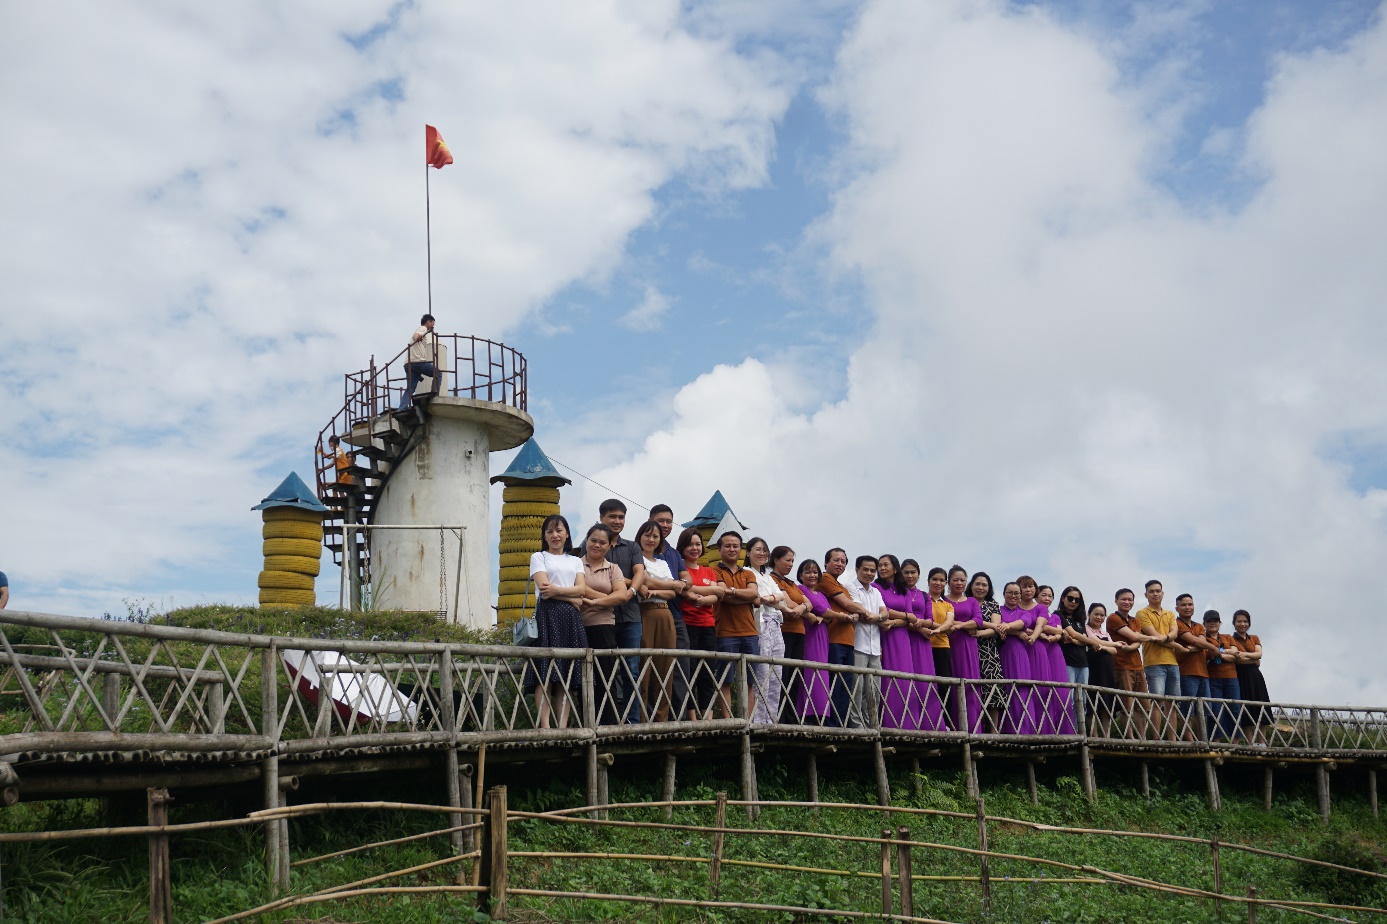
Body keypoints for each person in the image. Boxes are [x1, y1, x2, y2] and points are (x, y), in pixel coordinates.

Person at [522, 515, 587, 729]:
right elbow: (544, 588)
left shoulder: (575, 560)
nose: (555, 535)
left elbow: (582, 589)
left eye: (559, 530)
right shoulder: (538, 556)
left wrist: (559, 591)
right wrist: (570, 597)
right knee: (546, 674)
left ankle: (563, 727)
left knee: (565, 676)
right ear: (544, 536)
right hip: (547, 615)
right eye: (549, 531)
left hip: (570, 619)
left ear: (567, 533)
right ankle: (546, 726)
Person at [629, 520, 687, 722]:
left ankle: (661, 718)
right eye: (647, 535)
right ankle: (642, 718)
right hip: (644, 613)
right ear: (639, 537)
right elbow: (645, 580)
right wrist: (670, 585)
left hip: (665, 614)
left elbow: (673, 594)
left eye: (655, 536)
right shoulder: (635, 559)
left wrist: (660, 589)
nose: (651, 539)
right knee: (644, 666)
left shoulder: (662, 562)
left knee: (666, 665)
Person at [575, 523, 629, 725]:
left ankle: (608, 726)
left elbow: (622, 596)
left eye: (602, 542)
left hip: (604, 626)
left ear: (609, 545)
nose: (597, 545)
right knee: (582, 678)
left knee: (606, 676)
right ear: (586, 541)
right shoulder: (575, 565)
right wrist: (608, 597)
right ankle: (586, 725)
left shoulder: (613, 568)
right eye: (593, 540)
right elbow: (578, 589)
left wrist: (595, 601)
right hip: (578, 626)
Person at [597, 499, 645, 723]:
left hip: (631, 616)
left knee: (631, 670)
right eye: (612, 517)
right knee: (603, 670)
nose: (617, 521)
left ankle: (631, 721)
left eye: (621, 517)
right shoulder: (596, 544)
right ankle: (604, 721)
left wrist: (631, 591)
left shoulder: (633, 547)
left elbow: (640, 572)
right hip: (602, 617)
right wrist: (631, 586)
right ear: (601, 518)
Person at [711, 531, 762, 719]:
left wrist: (731, 593)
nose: (732, 549)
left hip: (750, 632)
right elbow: (722, 595)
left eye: (736, 546)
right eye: (728, 546)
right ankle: (728, 721)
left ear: (741, 550)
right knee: (724, 679)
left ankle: (747, 721)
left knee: (749, 681)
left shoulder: (748, 573)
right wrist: (744, 596)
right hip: (724, 632)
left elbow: (753, 595)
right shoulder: (715, 571)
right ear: (719, 549)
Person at [650, 504, 694, 719]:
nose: (665, 525)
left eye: (669, 521)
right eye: (661, 521)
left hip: (676, 615)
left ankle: (680, 718)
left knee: (680, 666)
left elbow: (688, 579)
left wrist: (681, 584)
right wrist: (675, 585)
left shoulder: (673, 552)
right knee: (653, 665)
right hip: (649, 614)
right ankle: (654, 717)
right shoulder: (641, 549)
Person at [676, 527, 723, 718]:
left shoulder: (709, 571)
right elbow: (682, 590)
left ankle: (708, 718)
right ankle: (692, 718)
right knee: (689, 671)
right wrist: (706, 591)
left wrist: (699, 596)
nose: (694, 548)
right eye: (690, 544)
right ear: (682, 547)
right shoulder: (679, 569)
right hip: (687, 624)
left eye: (697, 544)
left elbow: (718, 594)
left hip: (708, 626)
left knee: (707, 673)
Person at [746, 537, 791, 725]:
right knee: (762, 672)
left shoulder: (767, 576)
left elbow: (781, 596)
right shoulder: (747, 573)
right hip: (761, 623)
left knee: (776, 671)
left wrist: (769, 598)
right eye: (757, 549)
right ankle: (758, 720)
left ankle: (771, 719)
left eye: (765, 550)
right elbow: (756, 598)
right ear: (748, 552)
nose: (762, 553)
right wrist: (773, 599)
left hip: (775, 623)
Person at [1020, 576, 1073, 735]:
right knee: (1035, 688)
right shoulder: (1022, 609)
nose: (1047, 598)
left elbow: (1057, 631)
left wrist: (1059, 633)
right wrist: (1054, 632)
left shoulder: (1054, 615)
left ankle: (1057, 729)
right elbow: (1047, 629)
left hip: (1051, 650)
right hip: (1032, 647)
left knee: (1054, 690)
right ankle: (1035, 727)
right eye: (1044, 595)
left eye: (1050, 596)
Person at [814, 549, 861, 727]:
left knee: (845, 685)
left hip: (848, 640)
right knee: (834, 683)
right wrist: (867, 614)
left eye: (843, 561)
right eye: (836, 560)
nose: (840, 564)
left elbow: (852, 608)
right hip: (833, 638)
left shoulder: (842, 586)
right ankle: (831, 723)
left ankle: (842, 722)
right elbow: (848, 605)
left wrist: (855, 614)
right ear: (826, 563)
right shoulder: (825, 579)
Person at [875, 555, 923, 730]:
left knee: (905, 680)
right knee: (888, 678)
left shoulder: (905, 590)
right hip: (883, 635)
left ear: (895, 568)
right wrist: (903, 616)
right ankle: (888, 723)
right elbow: (883, 610)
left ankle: (908, 723)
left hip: (902, 638)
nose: (882, 568)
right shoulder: (876, 587)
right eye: (880, 565)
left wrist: (896, 621)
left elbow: (911, 618)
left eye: (886, 565)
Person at [841, 555, 889, 726]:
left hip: (875, 646)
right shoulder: (850, 586)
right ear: (857, 570)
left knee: (874, 689)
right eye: (865, 569)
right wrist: (878, 617)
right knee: (857, 687)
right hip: (858, 644)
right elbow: (862, 614)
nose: (869, 573)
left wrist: (877, 616)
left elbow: (885, 613)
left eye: (872, 570)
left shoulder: (876, 591)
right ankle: (857, 725)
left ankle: (872, 724)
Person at [1137, 580, 1186, 741]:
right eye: (1151, 591)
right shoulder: (1142, 613)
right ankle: (1157, 739)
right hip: (1154, 662)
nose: (1155, 593)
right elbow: (1153, 636)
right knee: (1157, 702)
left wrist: (1166, 638)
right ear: (1146, 595)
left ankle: (1172, 739)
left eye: (1158, 591)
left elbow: (1173, 633)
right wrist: (1176, 645)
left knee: (1173, 703)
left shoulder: (1170, 614)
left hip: (1172, 663)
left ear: (1163, 593)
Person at [902, 560, 947, 731]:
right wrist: (920, 628)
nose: (910, 576)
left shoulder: (924, 595)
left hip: (922, 641)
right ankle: (909, 721)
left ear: (919, 574)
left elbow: (930, 619)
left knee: (925, 679)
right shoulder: (900, 592)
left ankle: (930, 722)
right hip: (906, 637)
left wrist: (921, 625)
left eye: (913, 572)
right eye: (906, 572)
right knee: (908, 679)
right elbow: (905, 617)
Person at [769, 546, 813, 724]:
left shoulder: (792, 582)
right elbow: (788, 603)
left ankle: (792, 717)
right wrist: (804, 609)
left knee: (796, 676)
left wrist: (802, 608)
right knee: (783, 675)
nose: (790, 564)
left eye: (792, 561)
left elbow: (807, 602)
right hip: (784, 631)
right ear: (776, 560)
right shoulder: (773, 579)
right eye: (787, 560)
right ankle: (780, 717)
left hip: (799, 632)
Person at [944, 566, 984, 733]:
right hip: (947, 643)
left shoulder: (971, 601)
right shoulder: (943, 600)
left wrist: (958, 625)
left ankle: (973, 729)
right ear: (948, 582)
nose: (959, 583)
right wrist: (964, 625)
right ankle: (953, 727)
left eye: (962, 580)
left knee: (969, 685)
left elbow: (978, 621)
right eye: (955, 580)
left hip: (967, 646)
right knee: (950, 685)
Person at [1174, 593, 1220, 740]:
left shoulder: (1199, 625)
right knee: (1188, 709)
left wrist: (1197, 646)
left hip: (1203, 673)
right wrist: (1212, 647)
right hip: (1186, 672)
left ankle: (1203, 740)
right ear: (1177, 608)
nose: (1187, 607)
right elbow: (1194, 640)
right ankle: (1190, 740)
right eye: (1184, 605)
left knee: (1204, 710)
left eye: (1190, 604)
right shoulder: (1176, 624)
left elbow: (1198, 641)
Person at [995, 582, 1039, 734]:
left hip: (1019, 653)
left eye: (1016, 593)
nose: (1013, 596)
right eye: (1010, 592)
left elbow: (1024, 623)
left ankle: (1025, 729)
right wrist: (1016, 632)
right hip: (1003, 651)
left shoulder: (1023, 612)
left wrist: (1008, 627)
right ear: (1004, 593)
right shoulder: (998, 610)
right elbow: (997, 625)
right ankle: (1006, 730)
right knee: (1005, 688)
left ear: (1020, 596)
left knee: (1021, 687)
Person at [794, 560, 834, 723]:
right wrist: (823, 616)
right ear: (801, 575)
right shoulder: (800, 589)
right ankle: (807, 713)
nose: (812, 575)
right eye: (808, 572)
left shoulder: (822, 594)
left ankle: (821, 713)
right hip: (809, 634)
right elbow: (820, 610)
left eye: (815, 572)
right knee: (810, 672)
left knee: (822, 673)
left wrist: (823, 617)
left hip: (822, 635)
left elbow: (828, 617)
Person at [1106, 588, 1148, 738]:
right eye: (1123, 599)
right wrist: (1150, 639)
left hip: (1137, 665)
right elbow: (1132, 635)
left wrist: (1132, 646)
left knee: (1142, 705)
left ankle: (1142, 738)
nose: (1127, 602)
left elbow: (1137, 638)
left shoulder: (1135, 620)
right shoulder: (1112, 618)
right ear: (1116, 600)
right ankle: (1129, 737)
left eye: (1130, 599)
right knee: (1126, 705)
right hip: (1121, 665)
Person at [967, 571, 1005, 733]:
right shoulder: (965, 602)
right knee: (971, 689)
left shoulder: (993, 605)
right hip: (967, 649)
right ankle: (974, 728)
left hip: (988, 652)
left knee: (992, 689)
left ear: (989, 588)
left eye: (984, 585)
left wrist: (978, 633)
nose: (980, 587)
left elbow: (996, 627)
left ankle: (993, 731)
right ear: (971, 585)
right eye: (977, 584)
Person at [1230, 610, 1270, 744]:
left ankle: (1262, 743)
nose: (1242, 624)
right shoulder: (1231, 639)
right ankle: (1250, 743)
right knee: (1245, 710)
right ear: (1234, 623)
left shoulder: (1254, 638)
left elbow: (1259, 655)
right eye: (1239, 621)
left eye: (1245, 621)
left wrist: (1245, 656)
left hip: (1255, 676)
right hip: (1240, 676)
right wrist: (1252, 659)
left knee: (1261, 708)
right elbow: (1236, 659)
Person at [1083, 603, 1123, 733]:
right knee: (1092, 702)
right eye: (1096, 614)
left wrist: (1105, 647)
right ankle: (1094, 735)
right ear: (1089, 614)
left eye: (1102, 615)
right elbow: (1094, 641)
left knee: (1106, 702)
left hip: (1106, 672)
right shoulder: (1085, 628)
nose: (1099, 617)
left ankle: (1106, 736)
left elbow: (1114, 651)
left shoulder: (1105, 632)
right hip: (1092, 670)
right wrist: (1110, 645)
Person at [1203, 611, 1242, 742]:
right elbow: (1206, 654)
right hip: (1212, 678)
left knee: (1235, 708)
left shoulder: (1227, 637)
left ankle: (1236, 742)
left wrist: (1219, 652)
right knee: (1215, 710)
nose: (1212, 623)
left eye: (1215, 621)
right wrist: (1227, 654)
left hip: (1231, 677)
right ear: (1204, 624)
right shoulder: (1203, 638)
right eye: (1209, 621)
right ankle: (1215, 741)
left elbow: (1235, 654)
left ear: (1220, 623)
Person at [924, 568, 956, 727]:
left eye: (941, 580)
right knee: (926, 685)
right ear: (928, 581)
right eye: (934, 579)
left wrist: (936, 630)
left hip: (942, 646)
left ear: (946, 583)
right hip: (924, 645)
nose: (938, 583)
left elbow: (950, 624)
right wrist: (941, 628)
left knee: (944, 686)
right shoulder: (923, 599)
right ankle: (928, 722)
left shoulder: (948, 605)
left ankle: (946, 723)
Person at [399, 313, 438, 409]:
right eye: (433, 323)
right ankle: (435, 395)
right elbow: (415, 336)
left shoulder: (422, 330)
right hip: (417, 362)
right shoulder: (423, 328)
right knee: (437, 373)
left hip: (408, 364)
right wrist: (418, 337)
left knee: (410, 389)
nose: (433, 326)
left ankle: (402, 408)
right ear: (428, 322)